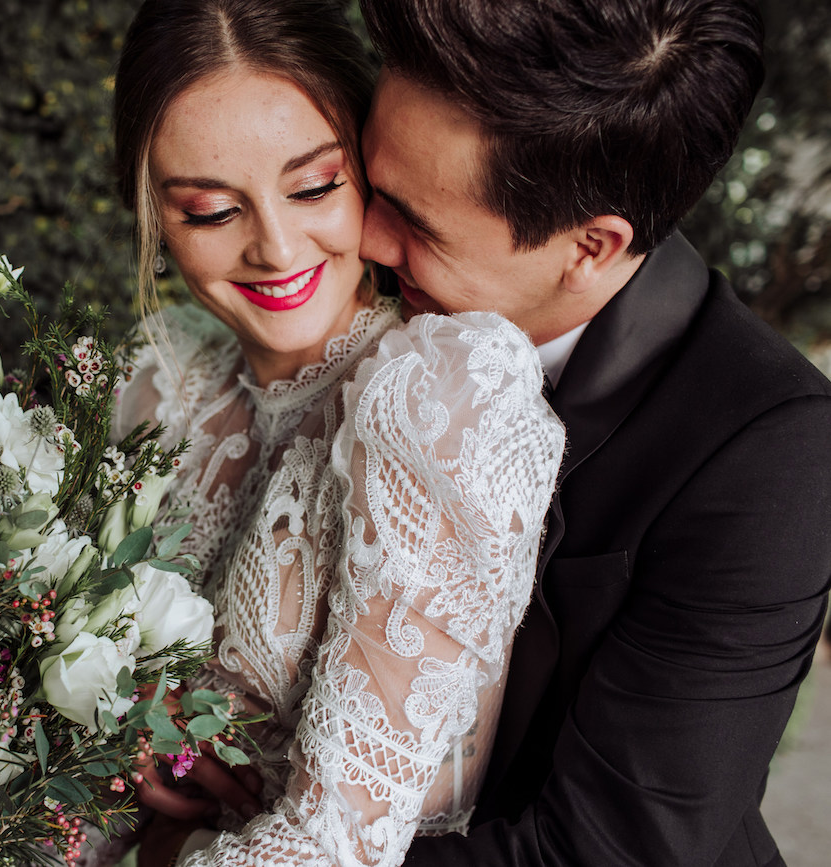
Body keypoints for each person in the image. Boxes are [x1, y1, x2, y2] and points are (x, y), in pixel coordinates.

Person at [354, 1, 831, 865]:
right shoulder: (344, 295)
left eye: (412, 220)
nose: (359, 235)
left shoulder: (771, 450)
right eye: (365, 181)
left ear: (591, 247)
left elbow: (607, 849)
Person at [108, 1, 564, 865]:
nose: (277, 247)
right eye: (210, 210)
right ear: (154, 220)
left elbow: (332, 848)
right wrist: (115, 738)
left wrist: (160, 851)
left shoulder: (443, 397)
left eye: (315, 186)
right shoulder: (156, 384)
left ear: (373, 172)